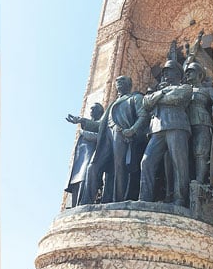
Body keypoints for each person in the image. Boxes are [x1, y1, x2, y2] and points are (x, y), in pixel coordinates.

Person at [69, 75, 146, 204]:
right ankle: (85, 203)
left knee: (119, 167)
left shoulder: (135, 98)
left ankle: (118, 201)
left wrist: (132, 130)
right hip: (106, 138)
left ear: (129, 84)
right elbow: (100, 125)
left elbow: (143, 116)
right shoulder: (112, 105)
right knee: (93, 167)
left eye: (122, 81)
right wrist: (81, 120)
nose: (119, 83)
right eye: (117, 82)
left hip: (121, 135)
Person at [138, 60, 193, 206]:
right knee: (146, 162)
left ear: (177, 73)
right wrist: (162, 92)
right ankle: (144, 199)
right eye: (164, 72)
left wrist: (157, 97)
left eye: (168, 71)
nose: (165, 74)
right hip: (157, 130)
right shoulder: (160, 90)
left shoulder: (186, 88)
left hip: (177, 126)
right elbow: (146, 103)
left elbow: (176, 98)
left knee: (179, 164)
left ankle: (180, 199)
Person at [183, 61, 213, 185]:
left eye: (190, 71)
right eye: (186, 72)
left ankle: (199, 181)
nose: (187, 74)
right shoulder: (182, 89)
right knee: (184, 154)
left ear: (199, 74)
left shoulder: (207, 90)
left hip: (201, 123)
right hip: (184, 125)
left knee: (200, 152)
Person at [64, 103, 103, 207]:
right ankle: (74, 205)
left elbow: (100, 135)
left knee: (85, 177)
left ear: (99, 112)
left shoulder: (102, 123)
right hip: (80, 157)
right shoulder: (88, 125)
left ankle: (83, 202)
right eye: (90, 108)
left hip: (90, 154)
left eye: (93, 108)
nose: (91, 110)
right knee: (76, 180)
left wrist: (83, 128)